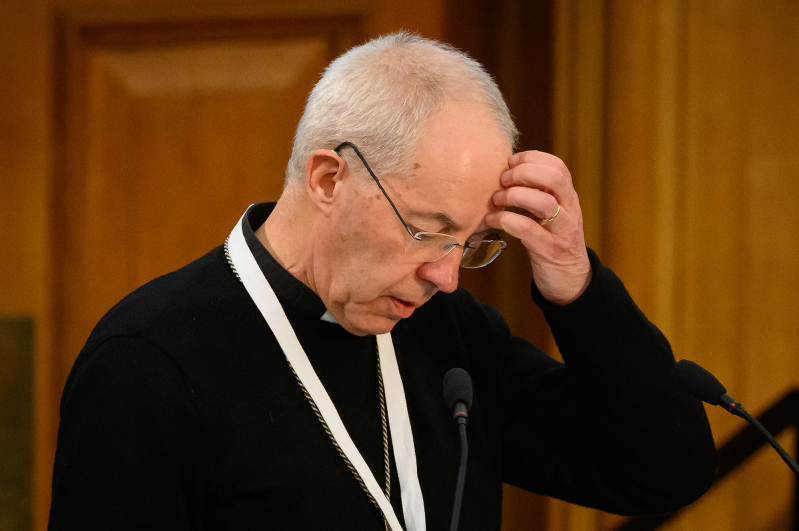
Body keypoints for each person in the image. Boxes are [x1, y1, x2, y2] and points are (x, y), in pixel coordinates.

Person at [49, 32, 717, 530]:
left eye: (472, 242)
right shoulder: (147, 363)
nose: (446, 276)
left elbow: (664, 469)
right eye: (423, 229)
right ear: (326, 178)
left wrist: (577, 287)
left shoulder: (446, 333)